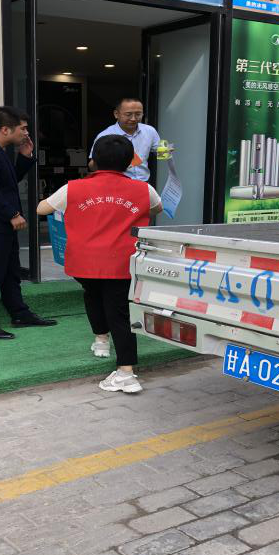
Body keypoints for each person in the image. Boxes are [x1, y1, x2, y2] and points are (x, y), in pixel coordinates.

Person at [38, 135, 164, 394]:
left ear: (93, 161)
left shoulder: (72, 188)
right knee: (119, 311)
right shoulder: (145, 189)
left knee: (93, 295)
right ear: (130, 162)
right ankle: (123, 368)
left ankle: (107, 348)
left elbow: (42, 209)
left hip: (83, 262)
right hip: (120, 263)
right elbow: (156, 209)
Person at [0, 107, 57, 340]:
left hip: (0, 224)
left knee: (10, 272)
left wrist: (25, 157)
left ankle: (19, 313)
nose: (27, 133)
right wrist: (12, 214)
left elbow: (7, 181)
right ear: (6, 130)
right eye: (23, 128)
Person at [89, 98, 160, 183]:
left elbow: (159, 152)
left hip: (144, 181)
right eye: (128, 114)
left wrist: (166, 152)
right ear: (116, 114)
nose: (133, 119)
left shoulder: (150, 131)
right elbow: (92, 165)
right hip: (117, 183)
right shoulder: (105, 136)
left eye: (138, 114)